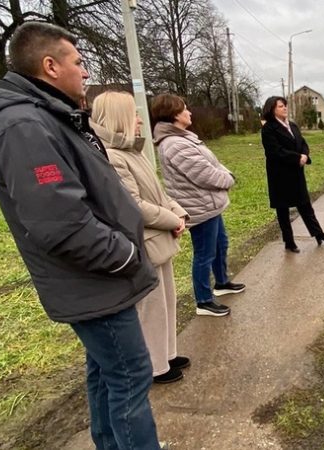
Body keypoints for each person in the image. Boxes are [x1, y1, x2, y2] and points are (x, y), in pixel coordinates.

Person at [0, 22, 163, 449]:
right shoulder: (23, 126)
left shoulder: (47, 115)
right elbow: (60, 221)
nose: (86, 72)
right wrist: (125, 256)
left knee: (107, 374)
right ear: (50, 66)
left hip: (96, 280)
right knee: (130, 376)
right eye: (78, 62)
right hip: (94, 280)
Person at [91, 91, 191, 384]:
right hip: (145, 241)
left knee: (167, 300)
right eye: (134, 114)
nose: (139, 120)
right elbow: (134, 205)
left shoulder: (134, 151)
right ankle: (156, 366)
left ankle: (168, 353)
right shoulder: (112, 157)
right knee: (152, 308)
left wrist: (178, 211)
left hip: (159, 237)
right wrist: (172, 219)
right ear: (118, 117)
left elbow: (157, 192)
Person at [150, 94, 245, 317]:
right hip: (198, 208)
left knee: (220, 244)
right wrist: (229, 179)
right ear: (174, 114)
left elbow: (212, 163)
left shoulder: (183, 138)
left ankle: (221, 283)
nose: (189, 112)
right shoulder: (174, 144)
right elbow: (204, 174)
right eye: (185, 109)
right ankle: (203, 301)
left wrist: (226, 172)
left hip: (209, 205)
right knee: (205, 254)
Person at [260, 96, 324, 253]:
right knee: (283, 210)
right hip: (280, 176)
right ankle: (289, 242)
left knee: (305, 205)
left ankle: (319, 234)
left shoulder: (292, 126)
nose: (285, 108)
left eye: (285, 105)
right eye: (281, 106)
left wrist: (305, 155)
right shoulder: (268, 129)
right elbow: (275, 152)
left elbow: (303, 143)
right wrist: (297, 158)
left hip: (296, 173)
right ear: (272, 109)